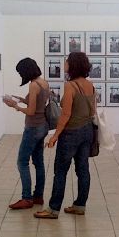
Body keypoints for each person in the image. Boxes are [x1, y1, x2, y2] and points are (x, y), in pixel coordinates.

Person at [34, 52, 96, 219]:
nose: (64, 64)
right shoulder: (90, 85)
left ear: (73, 65)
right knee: (83, 170)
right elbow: (93, 111)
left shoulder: (70, 86)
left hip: (71, 134)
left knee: (60, 171)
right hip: (87, 131)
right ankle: (80, 205)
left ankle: (53, 209)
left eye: (67, 61)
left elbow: (66, 114)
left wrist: (55, 136)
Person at [3, 58, 50, 210]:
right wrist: (22, 100)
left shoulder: (33, 85)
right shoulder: (43, 82)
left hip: (33, 128)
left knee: (22, 162)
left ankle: (26, 198)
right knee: (38, 162)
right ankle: (38, 196)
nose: (20, 75)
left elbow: (31, 111)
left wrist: (15, 106)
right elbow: (38, 105)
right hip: (43, 126)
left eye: (20, 72)